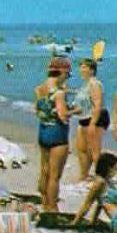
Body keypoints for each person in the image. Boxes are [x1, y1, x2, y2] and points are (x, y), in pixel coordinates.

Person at [35, 57, 73, 213]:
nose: (67, 77)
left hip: (43, 130)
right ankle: (52, 206)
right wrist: (74, 111)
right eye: (68, 74)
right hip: (58, 133)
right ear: (62, 72)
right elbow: (62, 116)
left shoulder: (39, 89)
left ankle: (44, 201)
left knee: (44, 169)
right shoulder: (58, 93)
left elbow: (37, 109)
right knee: (55, 175)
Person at [72, 152, 117, 233]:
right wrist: (74, 224)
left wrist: (93, 221)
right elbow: (87, 205)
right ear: (108, 168)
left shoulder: (109, 181)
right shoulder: (99, 183)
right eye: (115, 167)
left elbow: (100, 204)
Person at [72, 58, 107, 183]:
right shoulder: (85, 85)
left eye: (84, 67)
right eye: (81, 67)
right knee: (81, 148)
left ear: (92, 70)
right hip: (84, 118)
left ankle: (100, 178)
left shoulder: (95, 84)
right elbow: (81, 106)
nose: (82, 69)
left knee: (95, 151)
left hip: (95, 118)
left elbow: (98, 104)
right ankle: (84, 175)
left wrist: (93, 123)